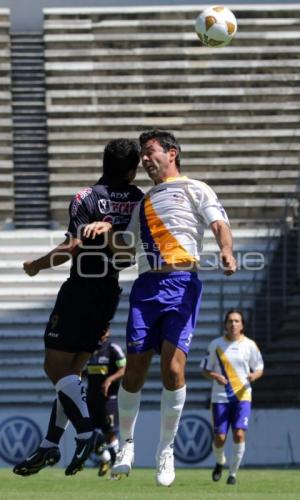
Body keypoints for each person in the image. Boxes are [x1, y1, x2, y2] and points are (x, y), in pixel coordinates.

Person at [83, 128, 237, 487]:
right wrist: (106, 230)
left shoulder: (195, 189)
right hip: (146, 286)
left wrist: (226, 250)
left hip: (182, 284)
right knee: (134, 373)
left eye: (150, 151)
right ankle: (127, 445)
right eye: (142, 154)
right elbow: (124, 251)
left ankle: (165, 450)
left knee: (173, 370)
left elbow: (219, 223)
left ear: (172, 153)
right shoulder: (143, 203)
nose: (145, 159)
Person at [13, 139, 143, 477]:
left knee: (54, 366)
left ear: (104, 162)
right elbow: (131, 250)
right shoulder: (139, 201)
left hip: (80, 289)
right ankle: (51, 444)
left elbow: (72, 246)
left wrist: (37, 265)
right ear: (132, 170)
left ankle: (87, 432)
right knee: (71, 373)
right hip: (109, 292)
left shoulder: (87, 197)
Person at [202, 309, 264, 485]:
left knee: (238, 434)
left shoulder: (250, 345)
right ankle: (220, 461)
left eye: (237, 321)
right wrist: (215, 376)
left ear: (242, 325)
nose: (233, 324)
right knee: (220, 437)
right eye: (230, 321)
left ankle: (233, 474)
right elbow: (205, 369)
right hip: (220, 397)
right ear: (225, 324)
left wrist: (254, 376)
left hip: (243, 395)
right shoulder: (216, 345)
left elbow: (259, 367)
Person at [84, 328, 126, 477]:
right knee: (88, 435)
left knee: (109, 434)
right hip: (91, 399)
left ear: (107, 332)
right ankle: (105, 459)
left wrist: (109, 380)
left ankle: (117, 469)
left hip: (109, 400)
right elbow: (84, 371)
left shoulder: (113, 349)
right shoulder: (87, 349)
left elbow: (124, 369)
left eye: (104, 329)